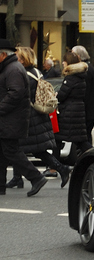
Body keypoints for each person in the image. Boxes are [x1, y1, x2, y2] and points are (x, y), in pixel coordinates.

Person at [6, 47, 70, 190]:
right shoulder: (36, 72)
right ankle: (18, 178)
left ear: (23, 59)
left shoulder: (25, 75)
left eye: (18, 57)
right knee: (25, 148)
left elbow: (20, 95)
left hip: (30, 116)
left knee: (20, 148)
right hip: (37, 115)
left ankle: (61, 168)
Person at [0, 39, 48, 196]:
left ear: (2, 55)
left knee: (11, 151)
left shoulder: (13, 69)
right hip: (10, 119)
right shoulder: (9, 67)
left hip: (11, 119)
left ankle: (36, 177)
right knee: (4, 151)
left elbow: (15, 94)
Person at [56, 51, 92, 157]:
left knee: (57, 138)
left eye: (65, 61)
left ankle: (54, 167)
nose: (63, 63)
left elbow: (62, 95)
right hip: (77, 111)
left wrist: (56, 94)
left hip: (68, 113)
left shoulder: (70, 78)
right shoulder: (81, 76)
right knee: (80, 141)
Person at [72, 45, 94, 144]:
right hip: (91, 111)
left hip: (87, 111)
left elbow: (85, 92)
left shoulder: (85, 70)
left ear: (78, 56)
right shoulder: (91, 68)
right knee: (85, 136)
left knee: (84, 138)